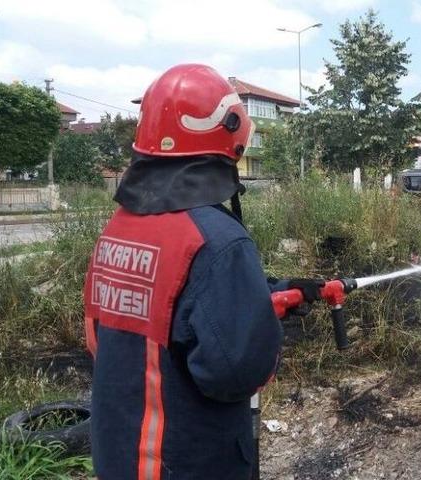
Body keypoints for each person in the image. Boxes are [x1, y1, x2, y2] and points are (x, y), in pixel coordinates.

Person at [83, 64, 322, 480]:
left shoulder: (119, 229)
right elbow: (234, 372)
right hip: (187, 460)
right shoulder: (217, 240)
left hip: (118, 455)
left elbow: (110, 330)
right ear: (229, 138)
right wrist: (257, 328)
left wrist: (269, 294)